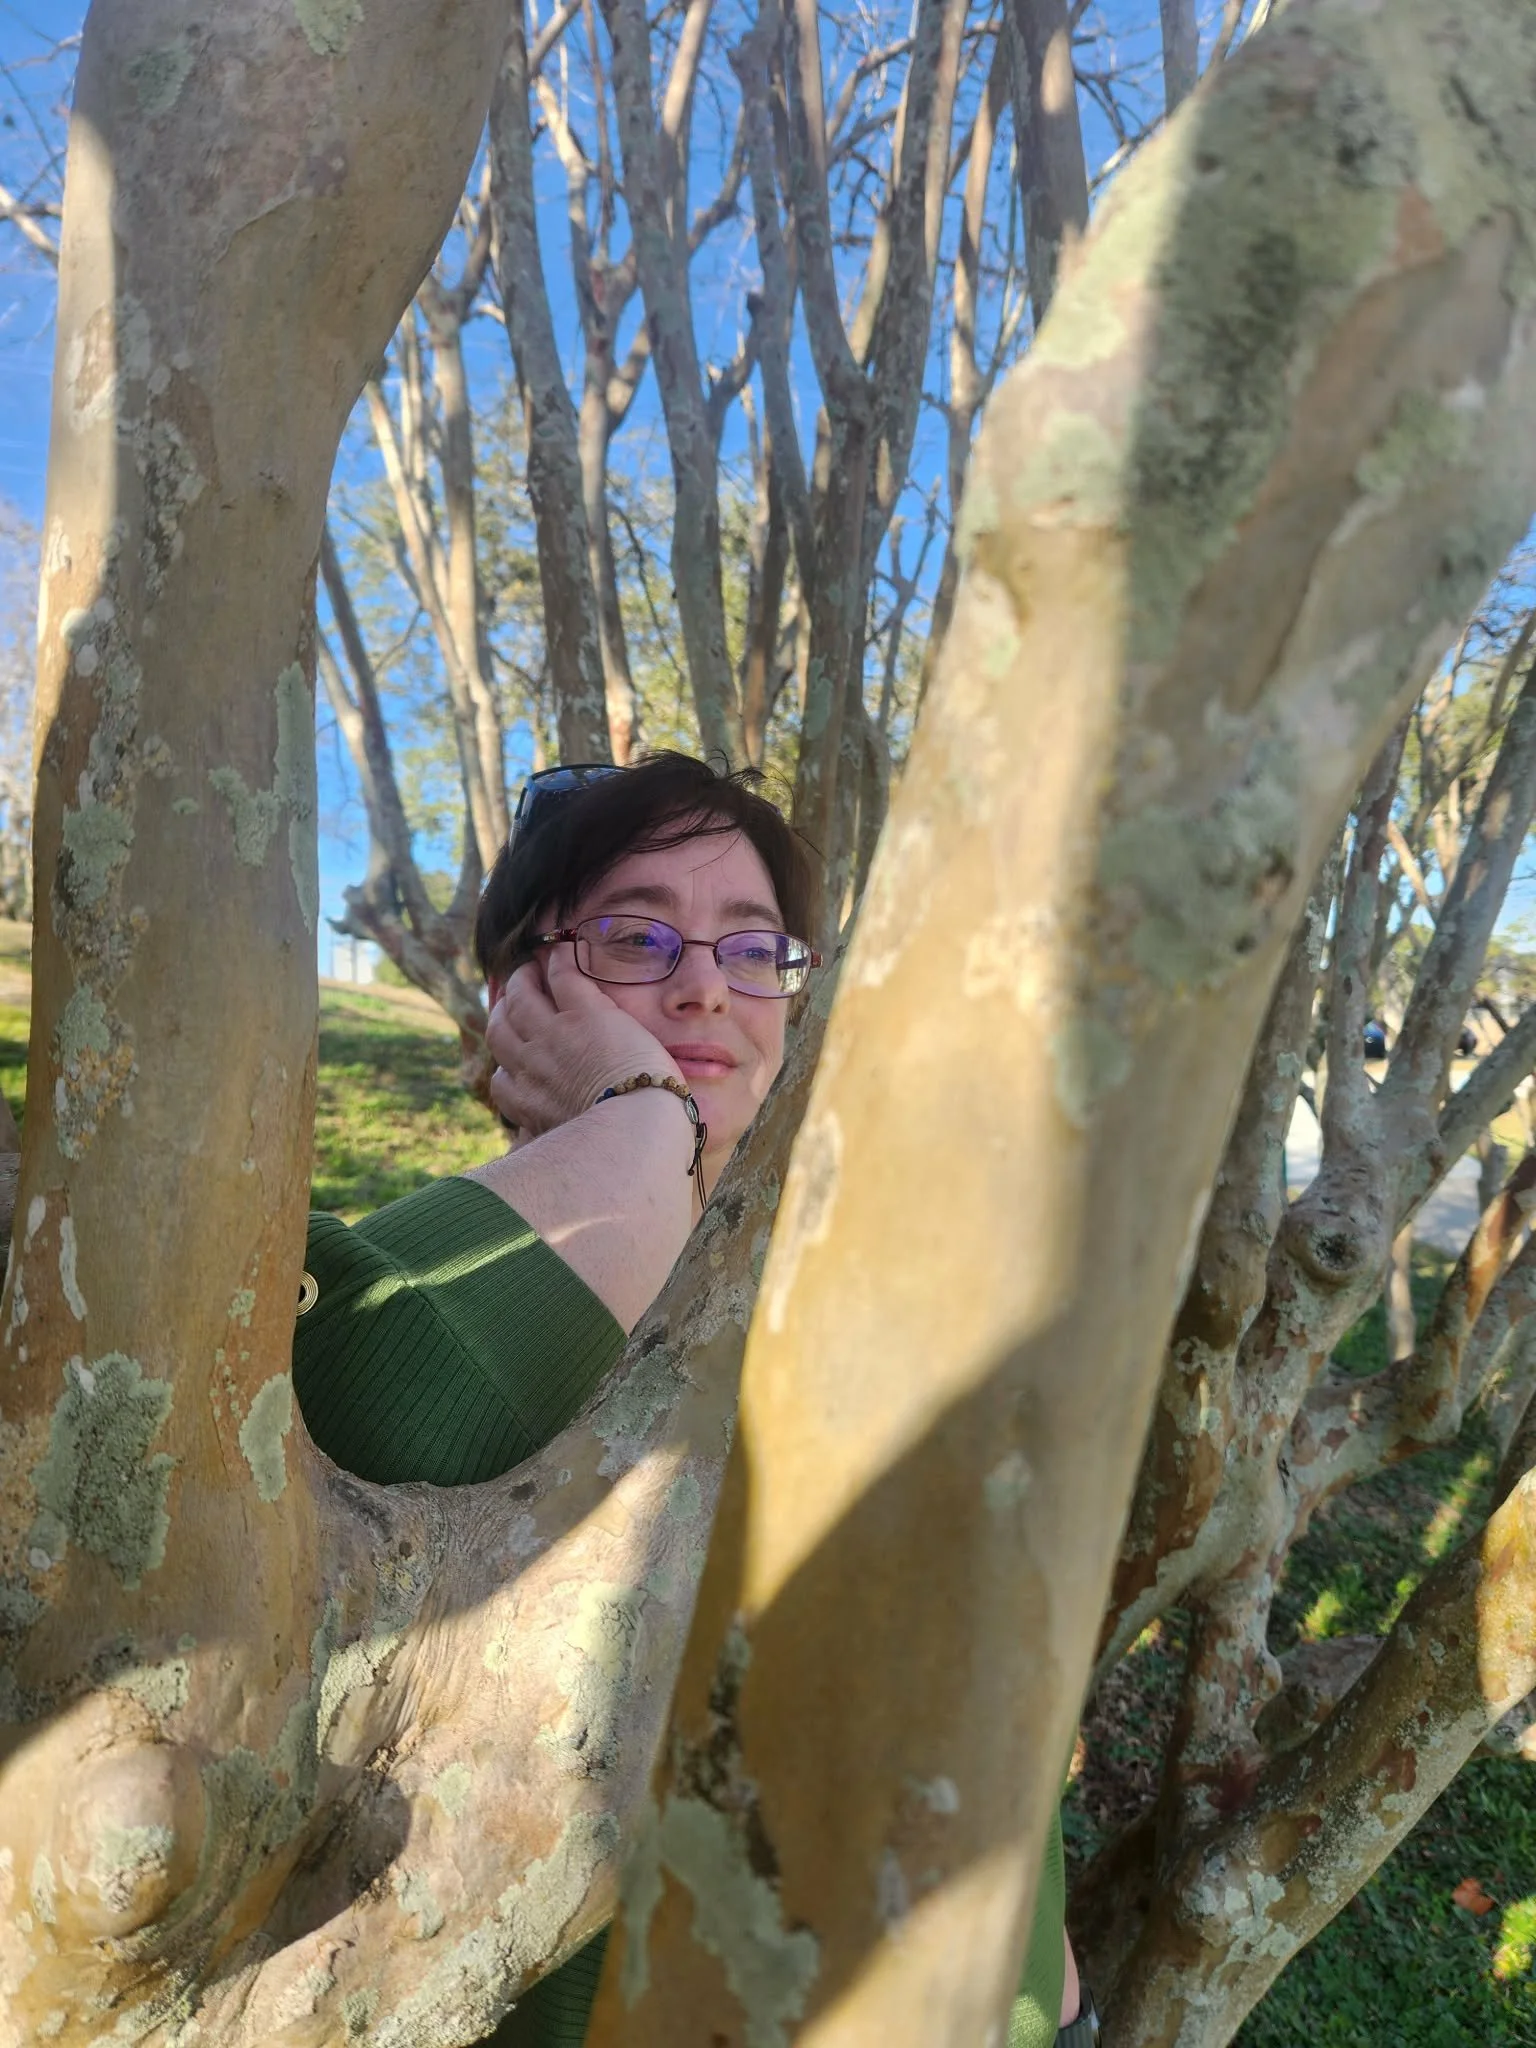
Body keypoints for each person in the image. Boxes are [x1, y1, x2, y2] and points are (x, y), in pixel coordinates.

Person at [291, 753, 1091, 2045]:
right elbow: (369, 1383)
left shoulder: (864, 1303)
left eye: (752, 945)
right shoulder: (448, 1284)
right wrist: (638, 1119)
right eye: (634, 935)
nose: (705, 981)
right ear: (521, 996)